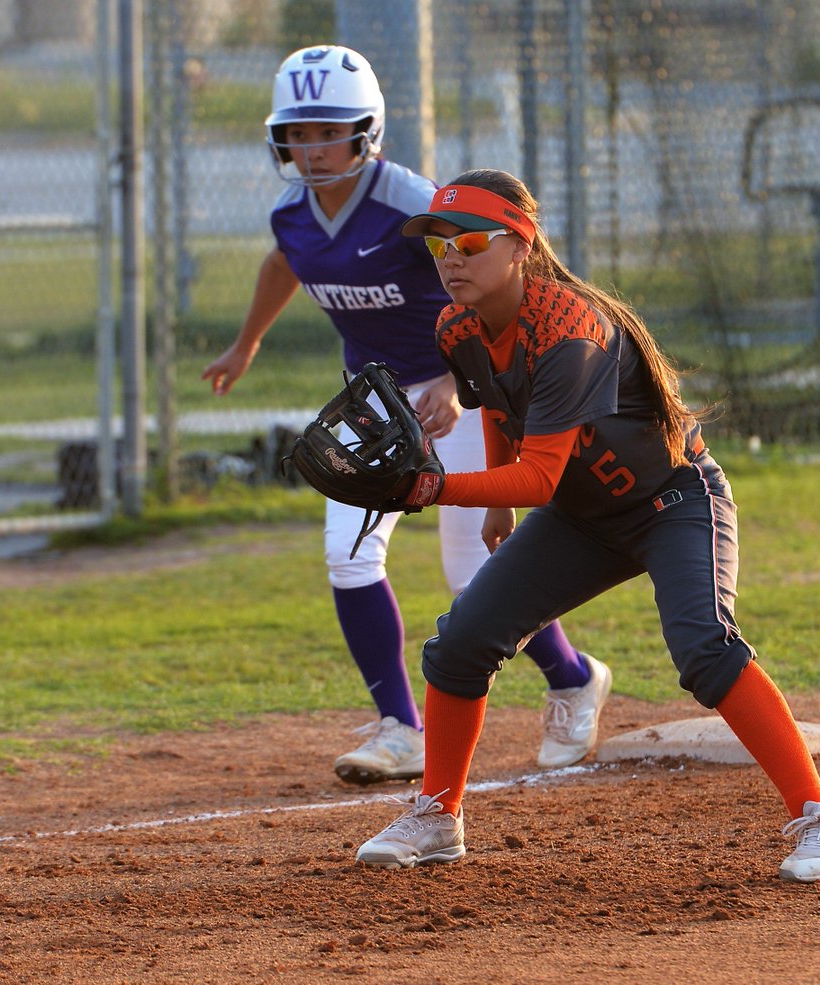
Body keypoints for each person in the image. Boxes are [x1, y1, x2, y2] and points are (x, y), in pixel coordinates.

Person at [354, 169, 820, 883]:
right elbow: (501, 410)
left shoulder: (569, 325)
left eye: (469, 241)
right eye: (437, 245)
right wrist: (493, 504)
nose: (451, 259)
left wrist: (435, 487)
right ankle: (438, 815)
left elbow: (538, 476)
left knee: (704, 647)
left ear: (521, 248)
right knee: (461, 643)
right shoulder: (458, 326)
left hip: (673, 500)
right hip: (583, 516)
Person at [201, 47, 611, 785]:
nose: (311, 146)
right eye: (297, 132)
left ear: (367, 129)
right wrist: (245, 345)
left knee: (473, 569)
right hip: (374, 398)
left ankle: (574, 677)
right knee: (347, 554)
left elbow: (491, 288)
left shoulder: (413, 205)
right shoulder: (292, 214)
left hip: (459, 390)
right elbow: (282, 264)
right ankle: (400, 725)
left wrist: (459, 380)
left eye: (328, 129)